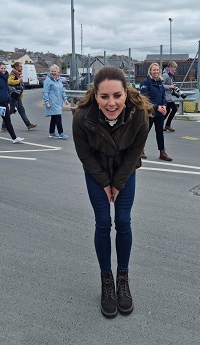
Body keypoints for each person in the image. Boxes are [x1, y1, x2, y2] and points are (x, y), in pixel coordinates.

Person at [72, 66, 152, 318]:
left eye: (117, 95)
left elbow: (133, 153)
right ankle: (107, 281)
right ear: (95, 95)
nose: (111, 102)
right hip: (96, 172)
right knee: (103, 222)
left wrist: (117, 183)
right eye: (104, 96)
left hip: (125, 172)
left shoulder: (140, 114)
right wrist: (105, 182)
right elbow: (85, 155)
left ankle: (123, 279)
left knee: (123, 221)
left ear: (126, 93)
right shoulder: (81, 117)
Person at [140, 62, 172, 161]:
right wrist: (157, 107)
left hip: (159, 113)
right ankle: (140, 150)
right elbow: (145, 99)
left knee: (160, 133)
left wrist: (164, 106)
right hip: (149, 112)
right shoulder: (146, 82)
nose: (156, 72)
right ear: (150, 71)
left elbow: (163, 97)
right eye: (154, 70)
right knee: (145, 132)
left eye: (157, 70)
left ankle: (162, 152)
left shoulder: (160, 83)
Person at [0, 62, 24, 145]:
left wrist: (8, 101)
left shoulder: (5, 77)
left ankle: (14, 138)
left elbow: (7, 90)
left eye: (4, 68)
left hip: (4, 103)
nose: (3, 70)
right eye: (1, 68)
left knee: (8, 121)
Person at [1, 62, 38, 132]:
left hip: (17, 96)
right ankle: (4, 125)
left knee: (21, 111)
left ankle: (28, 125)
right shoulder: (13, 74)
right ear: (16, 67)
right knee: (10, 111)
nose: (22, 68)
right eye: (20, 66)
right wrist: (18, 80)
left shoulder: (17, 74)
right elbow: (9, 82)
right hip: (14, 96)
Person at [43, 64, 69, 139]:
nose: (53, 72)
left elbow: (62, 91)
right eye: (52, 71)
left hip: (58, 102)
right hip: (52, 102)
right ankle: (61, 133)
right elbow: (45, 92)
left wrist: (65, 99)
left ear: (57, 72)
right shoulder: (48, 81)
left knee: (54, 117)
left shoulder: (59, 80)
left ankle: (52, 132)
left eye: (55, 71)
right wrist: (47, 102)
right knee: (58, 116)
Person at [162, 61, 178, 132]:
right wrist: (170, 86)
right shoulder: (165, 75)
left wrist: (172, 88)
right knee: (174, 109)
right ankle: (167, 125)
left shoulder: (170, 75)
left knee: (167, 111)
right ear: (170, 67)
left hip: (168, 96)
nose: (175, 69)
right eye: (174, 67)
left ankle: (162, 125)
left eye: (175, 68)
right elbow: (161, 85)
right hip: (166, 97)